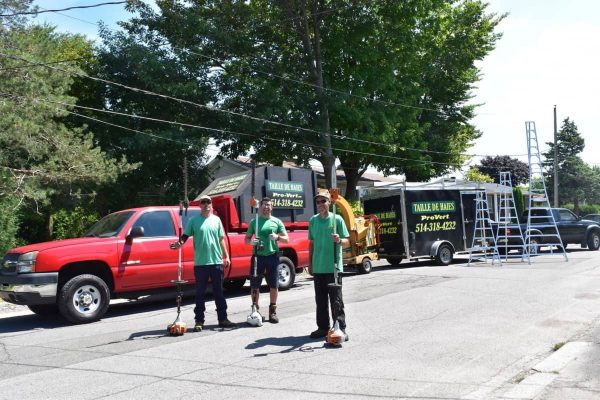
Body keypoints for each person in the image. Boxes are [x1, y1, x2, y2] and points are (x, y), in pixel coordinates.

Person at [170, 194, 234, 332]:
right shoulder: (194, 221)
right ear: (199, 205)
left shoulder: (216, 220)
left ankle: (223, 318)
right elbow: (185, 237)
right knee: (200, 293)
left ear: (211, 205)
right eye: (203, 202)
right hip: (200, 264)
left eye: (208, 202)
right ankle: (199, 321)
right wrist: (178, 244)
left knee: (219, 293)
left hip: (216, 262)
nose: (206, 204)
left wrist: (226, 256)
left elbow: (221, 239)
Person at [308, 190, 350, 340]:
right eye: (318, 202)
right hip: (318, 267)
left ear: (329, 202)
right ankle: (323, 327)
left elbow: (347, 242)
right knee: (320, 301)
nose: (320, 204)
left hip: (333, 268)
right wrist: (310, 263)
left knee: (336, 300)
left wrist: (339, 240)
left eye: (323, 201)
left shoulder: (337, 219)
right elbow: (311, 244)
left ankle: (340, 328)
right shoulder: (313, 220)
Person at [245, 197, 289, 323]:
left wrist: (277, 237)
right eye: (264, 205)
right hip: (257, 257)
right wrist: (251, 241)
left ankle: (272, 311)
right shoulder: (255, 222)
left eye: (268, 205)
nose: (266, 207)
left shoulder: (277, 222)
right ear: (261, 207)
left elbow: (287, 239)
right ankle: (255, 310)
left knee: (274, 285)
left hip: (272, 257)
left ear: (272, 207)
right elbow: (246, 239)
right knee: (254, 285)